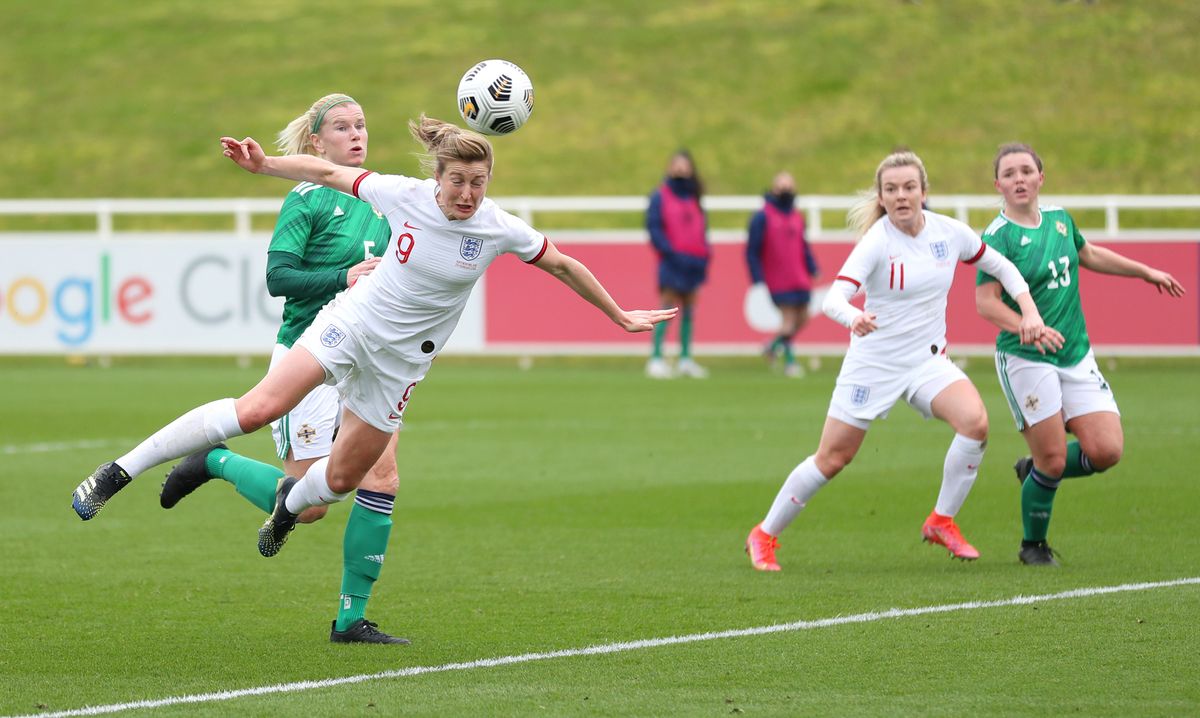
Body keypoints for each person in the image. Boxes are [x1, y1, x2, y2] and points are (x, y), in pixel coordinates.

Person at [71, 114, 677, 642]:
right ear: (437, 178)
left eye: (477, 182)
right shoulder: (404, 194)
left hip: (399, 369)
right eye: (458, 181)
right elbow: (330, 173)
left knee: (335, 483)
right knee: (257, 410)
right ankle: (116, 471)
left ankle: (285, 509)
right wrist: (264, 166)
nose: (467, 193)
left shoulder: (497, 227)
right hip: (349, 328)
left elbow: (564, 264)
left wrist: (618, 313)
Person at [154, 93, 408, 644]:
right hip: (307, 354)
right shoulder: (307, 199)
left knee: (382, 476)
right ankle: (213, 460)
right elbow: (280, 279)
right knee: (309, 504)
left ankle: (350, 619)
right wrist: (345, 276)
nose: (356, 134)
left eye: (361, 124)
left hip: (367, 358)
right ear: (317, 142)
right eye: (341, 127)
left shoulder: (386, 198)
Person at [744, 150, 1059, 571]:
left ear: (923, 191)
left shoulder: (949, 232)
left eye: (909, 187)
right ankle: (764, 534)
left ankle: (941, 520)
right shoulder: (876, 241)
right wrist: (855, 316)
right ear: (881, 196)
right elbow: (836, 298)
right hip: (874, 364)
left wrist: (1029, 311)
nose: (901, 195)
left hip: (927, 362)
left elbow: (1002, 267)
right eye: (891, 189)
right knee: (833, 458)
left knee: (976, 423)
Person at [975, 142, 1185, 567]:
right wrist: (1026, 325)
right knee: (1052, 459)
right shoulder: (996, 238)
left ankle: (1032, 470)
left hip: (1074, 352)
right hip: (1025, 357)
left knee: (1106, 451)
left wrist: (1145, 272)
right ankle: (1033, 545)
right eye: (1010, 173)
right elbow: (985, 301)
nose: (1019, 179)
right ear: (997, 184)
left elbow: (1088, 255)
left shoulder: (1059, 220)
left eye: (1026, 171)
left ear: (1040, 177)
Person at [745, 171, 819, 378]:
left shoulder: (796, 216)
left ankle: (773, 345)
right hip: (778, 278)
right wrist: (757, 278)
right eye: (781, 186)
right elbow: (752, 250)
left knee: (802, 318)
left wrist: (812, 266)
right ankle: (790, 361)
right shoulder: (763, 216)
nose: (785, 190)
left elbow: (803, 246)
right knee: (788, 320)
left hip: (799, 276)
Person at [645, 149, 710, 379]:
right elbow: (654, 228)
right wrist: (670, 253)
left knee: (690, 310)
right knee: (666, 308)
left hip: (694, 262)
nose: (681, 169)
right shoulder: (660, 196)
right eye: (677, 164)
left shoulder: (695, 197)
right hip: (672, 261)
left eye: (685, 165)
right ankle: (656, 358)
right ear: (670, 167)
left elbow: (702, 229)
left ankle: (685, 359)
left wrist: (704, 255)